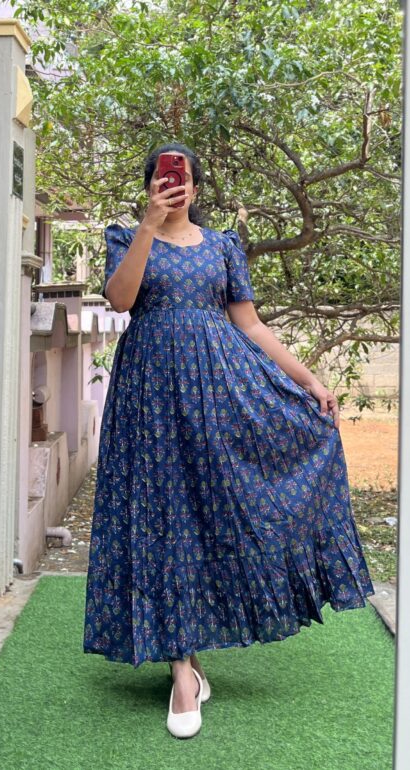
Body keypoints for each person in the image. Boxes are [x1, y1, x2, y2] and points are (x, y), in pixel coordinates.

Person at [83, 141, 375, 739]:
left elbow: (250, 323)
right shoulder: (126, 236)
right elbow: (121, 300)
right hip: (149, 396)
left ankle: (187, 656)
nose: (175, 185)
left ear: (196, 186)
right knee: (161, 516)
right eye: (164, 177)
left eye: (184, 177)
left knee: (206, 514)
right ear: (152, 184)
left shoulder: (222, 246)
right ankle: (182, 671)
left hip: (217, 391)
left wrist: (310, 380)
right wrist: (148, 225)